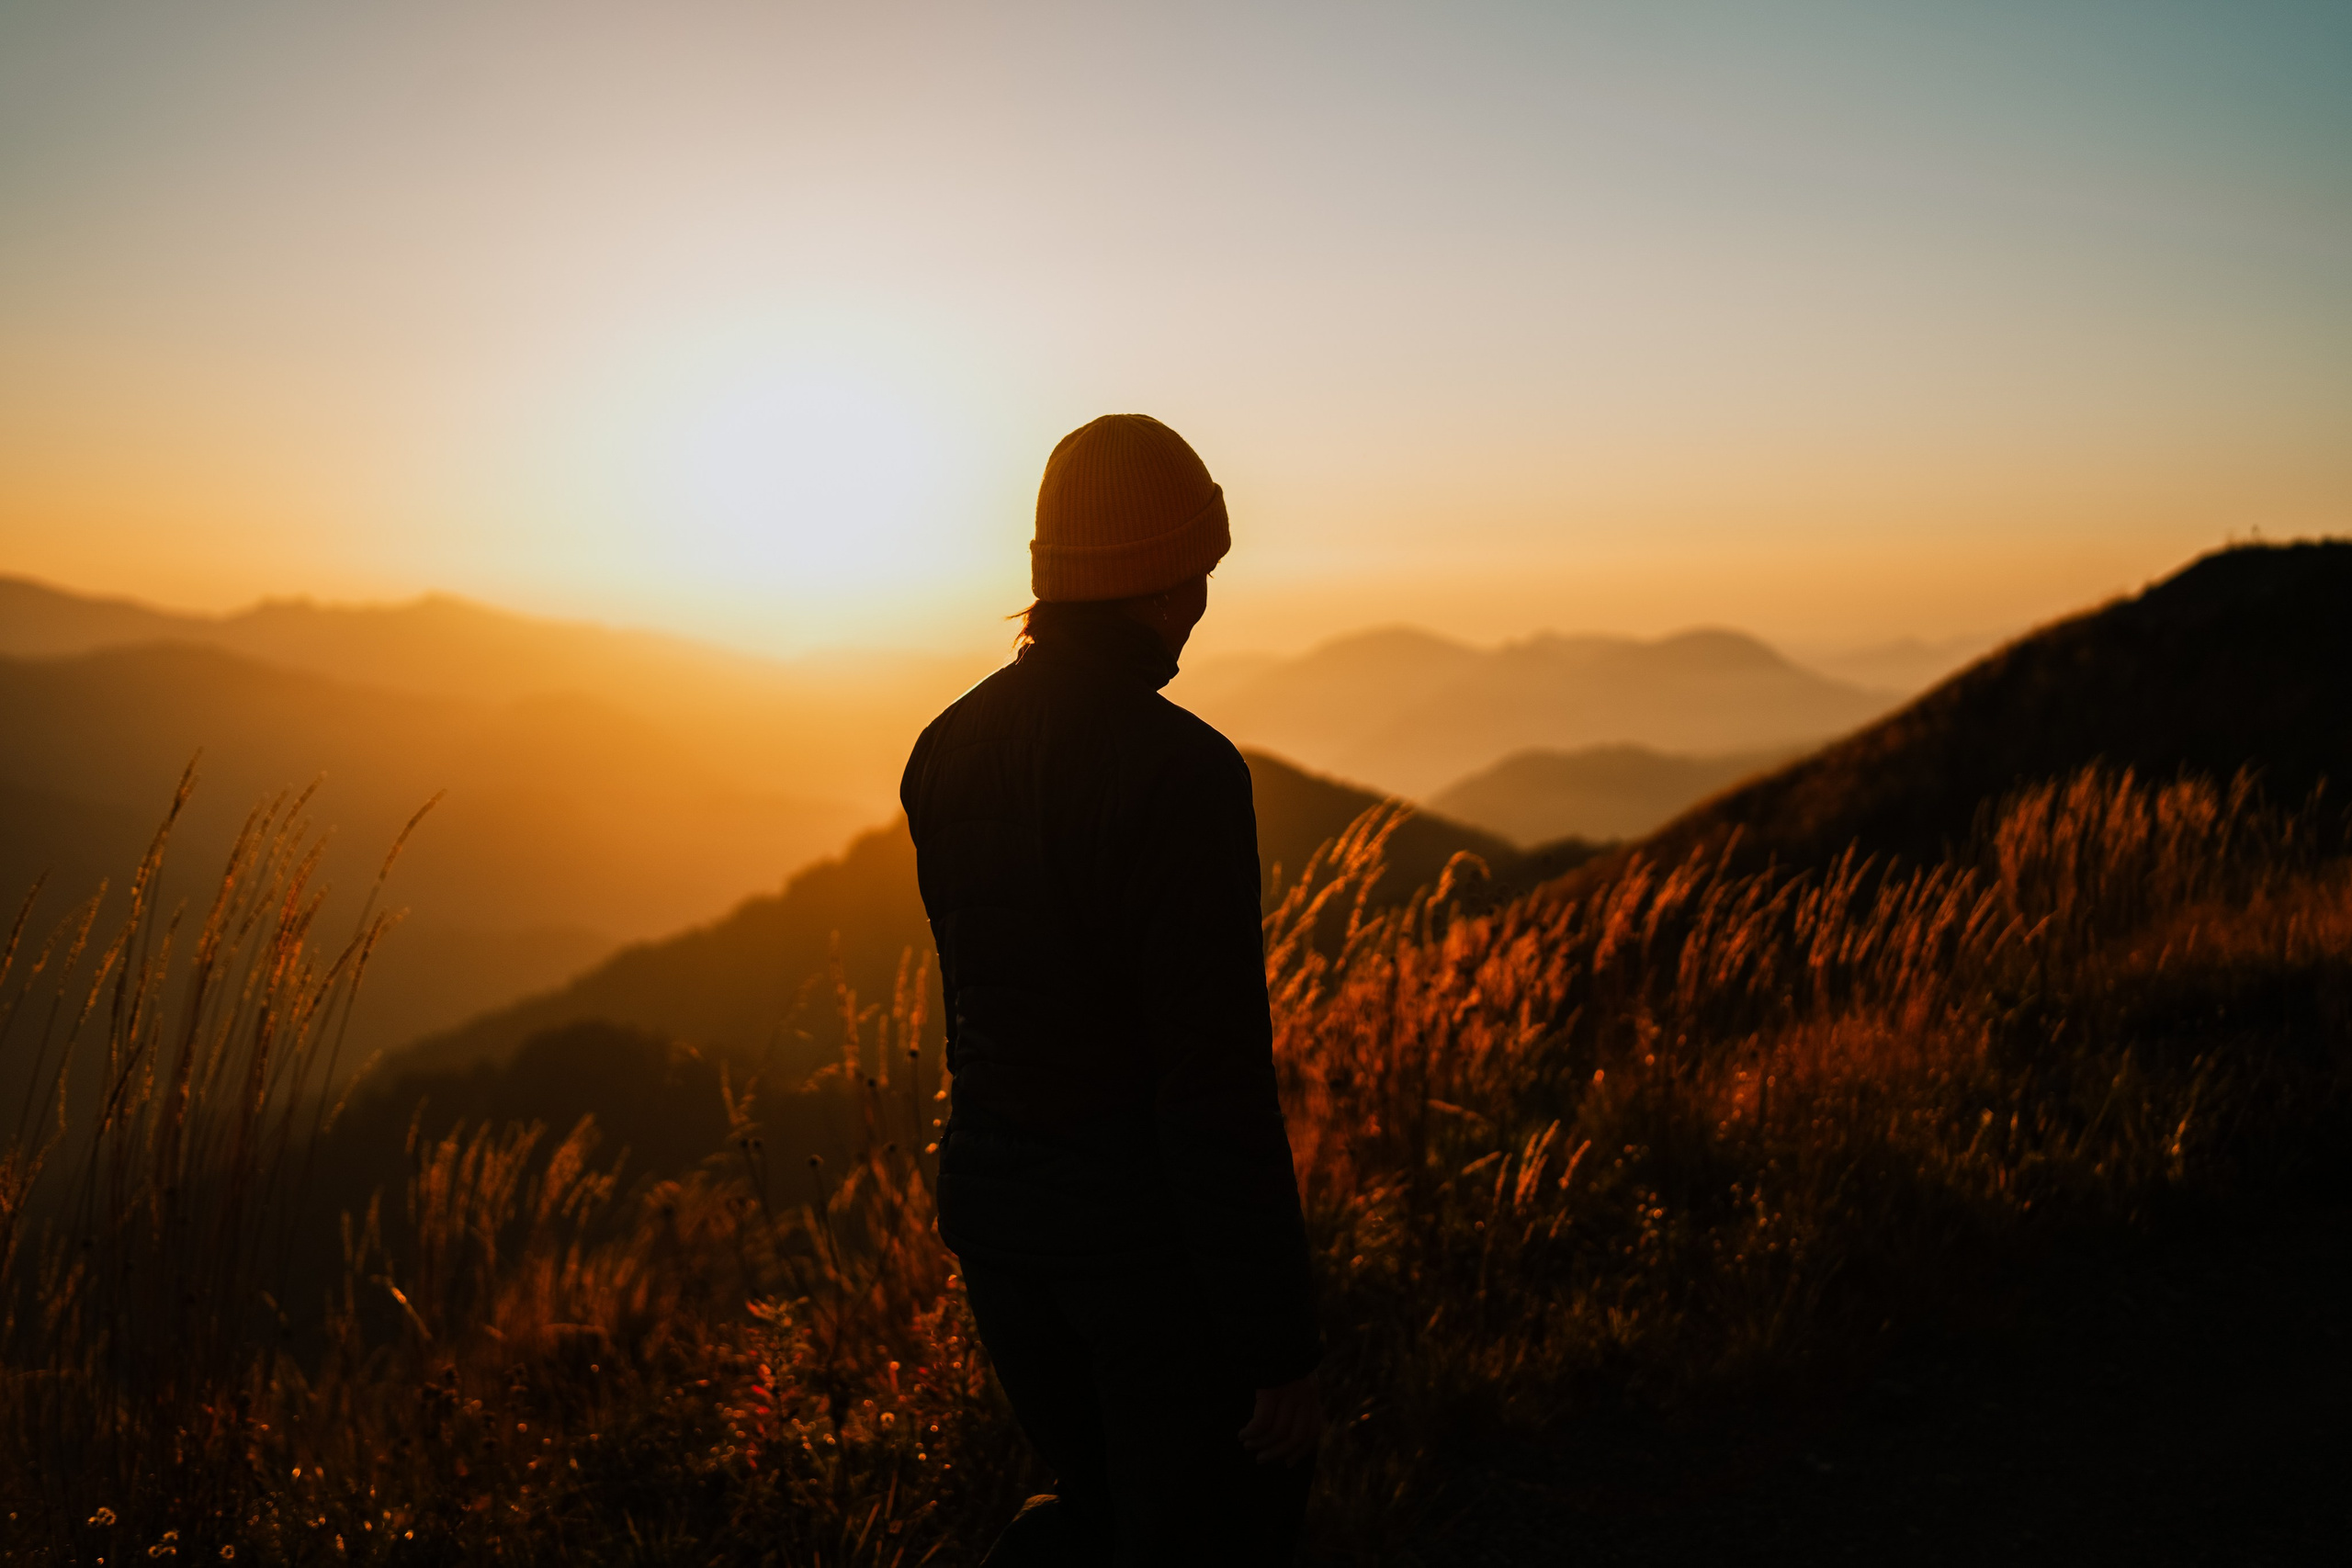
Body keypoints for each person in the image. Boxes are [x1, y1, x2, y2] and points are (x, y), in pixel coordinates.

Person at [900, 414, 1324, 1566]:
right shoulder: (1182, 775)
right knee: (1222, 1526)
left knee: (1095, 1508)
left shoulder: (944, 750)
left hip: (1000, 1236)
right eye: (1201, 569)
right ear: (1164, 576)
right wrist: (1278, 1344)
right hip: (1142, 1254)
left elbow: (990, 1017)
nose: (1205, 600)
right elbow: (1212, 1082)